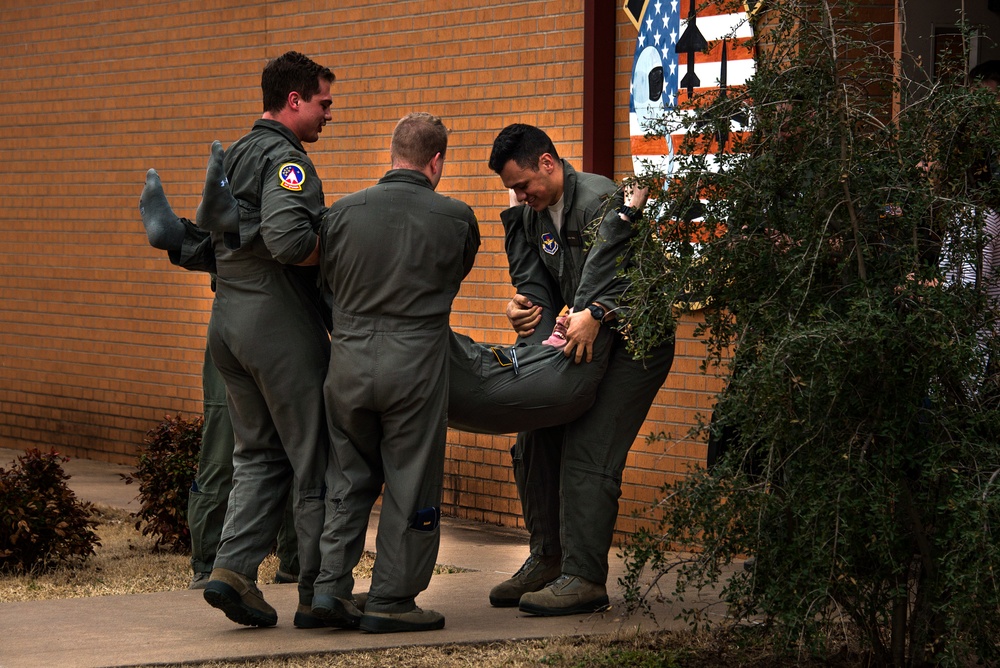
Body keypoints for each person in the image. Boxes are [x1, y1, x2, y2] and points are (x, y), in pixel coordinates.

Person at [487, 123, 676, 616]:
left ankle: (584, 578)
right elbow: (538, 286)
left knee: (587, 450)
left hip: (635, 344)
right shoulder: (531, 216)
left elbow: (644, 279)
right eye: (512, 188)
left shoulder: (599, 200)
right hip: (580, 345)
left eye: (524, 183)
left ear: (548, 162)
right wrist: (524, 310)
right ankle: (547, 559)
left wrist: (600, 312)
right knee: (535, 440)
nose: (519, 194)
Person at [309, 112, 480, 633]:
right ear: (436, 161)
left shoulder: (340, 213)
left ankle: (328, 589)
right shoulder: (456, 217)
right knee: (411, 479)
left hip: (350, 364)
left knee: (346, 475)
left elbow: (326, 283)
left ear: (392, 155)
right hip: (416, 369)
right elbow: (456, 273)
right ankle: (392, 599)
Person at [196, 50, 335, 629]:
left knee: (256, 454)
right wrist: (347, 249)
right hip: (278, 324)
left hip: (228, 320)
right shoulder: (285, 159)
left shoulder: (240, 150)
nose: (331, 114)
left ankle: (232, 571)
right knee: (315, 458)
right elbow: (286, 239)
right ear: (295, 100)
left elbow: (223, 238)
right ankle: (318, 592)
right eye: (324, 103)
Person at [138, 152, 301, 597]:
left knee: (226, 450)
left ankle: (209, 562)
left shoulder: (257, 220)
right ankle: (296, 563)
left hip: (227, 336)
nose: (329, 113)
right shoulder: (291, 205)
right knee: (297, 451)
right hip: (279, 340)